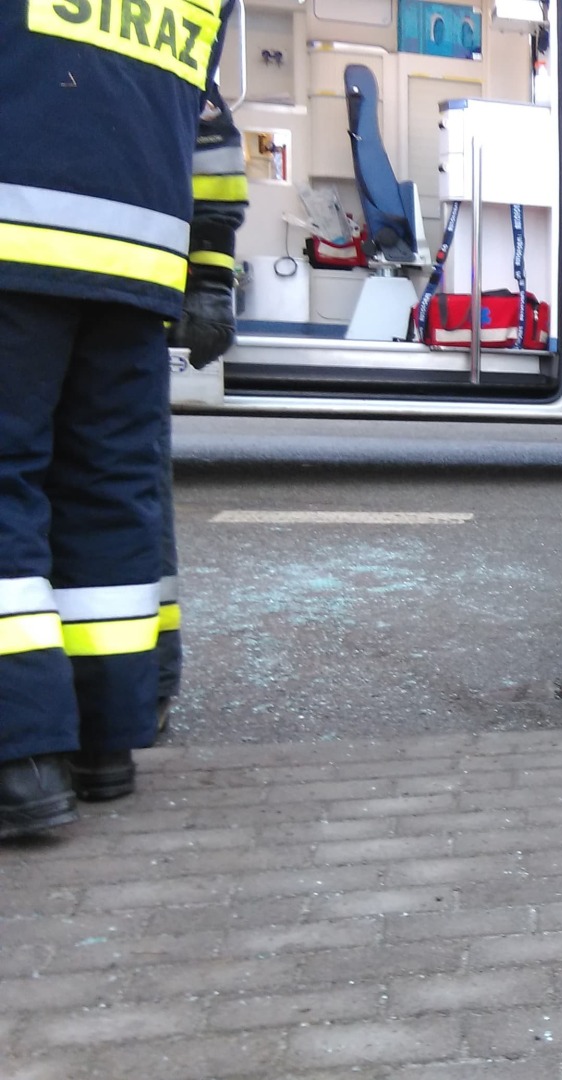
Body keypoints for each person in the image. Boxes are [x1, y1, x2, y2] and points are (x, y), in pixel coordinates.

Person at [0, 0, 244, 838]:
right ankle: (103, 744)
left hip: (10, 245)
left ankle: (20, 758)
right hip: (135, 271)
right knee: (107, 494)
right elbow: (211, 127)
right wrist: (210, 270)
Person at [158, 91, 252, 736]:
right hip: (132, 291)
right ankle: (121, 720)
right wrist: (211, 280)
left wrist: (211, 283)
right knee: (114, 494)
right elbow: (216, 166)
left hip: (53, 294)